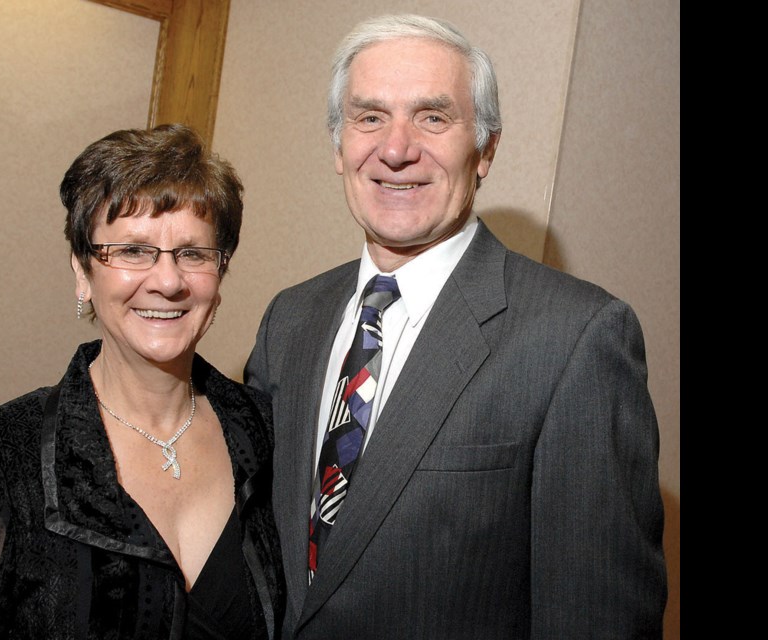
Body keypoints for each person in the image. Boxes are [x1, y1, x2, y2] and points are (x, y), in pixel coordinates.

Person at [244, 14, 667, 639]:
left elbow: (596, 618)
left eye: (433, 117)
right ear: (338, 148)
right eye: (369, 117)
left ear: (486, 149)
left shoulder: (578, 338)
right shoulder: (290, 318)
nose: (395, 148)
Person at [0, 124, 285, 640]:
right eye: (132, 251)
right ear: (83, 273)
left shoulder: (270, 434)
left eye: (193, 254)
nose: (168, 281)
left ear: (218, 277)